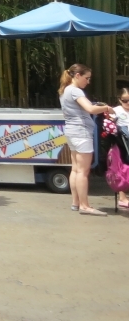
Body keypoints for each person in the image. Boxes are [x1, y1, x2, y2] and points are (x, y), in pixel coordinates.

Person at [59, 64, 114, 216]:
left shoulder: (65, 90)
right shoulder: (75, 90)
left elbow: (84, 107)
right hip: (81, 132)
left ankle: (76, 202)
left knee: (76, 169)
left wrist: (96, 106)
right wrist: (106, 108)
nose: (88, 82)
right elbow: (90, 109)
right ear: (77, 75)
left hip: (71, 131)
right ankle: (85, 205)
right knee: (83, 171)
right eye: (86, 78)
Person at [112, 87, 129, 209]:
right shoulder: (116, 111)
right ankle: (122, 197)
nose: (128, 103)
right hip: (122, 143)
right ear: (119, 100)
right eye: (125, 100)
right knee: (122, 169)